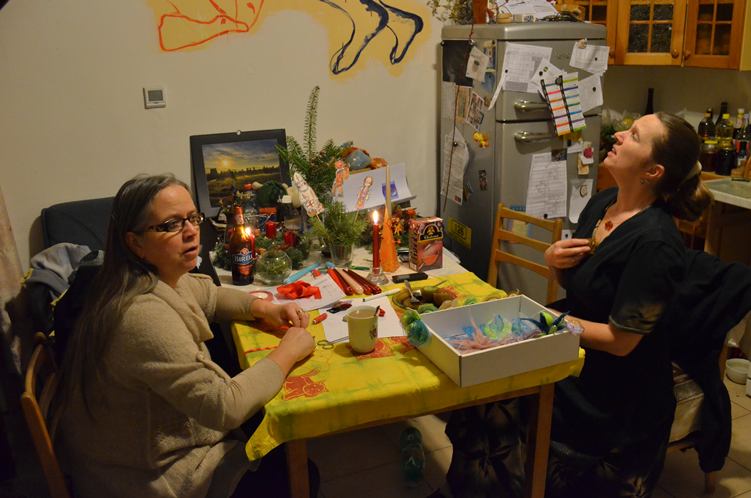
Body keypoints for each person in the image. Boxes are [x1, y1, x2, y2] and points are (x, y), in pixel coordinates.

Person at [443, 112, 713, 498]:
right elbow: (583, 286)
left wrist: (547, 320)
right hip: (574, 356)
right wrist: (554, 261)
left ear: (652, 171)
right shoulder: (603, 205)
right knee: (483, 389)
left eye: (635, 135)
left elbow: (622, 341)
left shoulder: (656, 243)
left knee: (501, 401)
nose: (618, 135)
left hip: (614, 397)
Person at [56, 174, 316, 498]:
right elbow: (225, 406)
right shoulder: (141, 314)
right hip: (152, 477)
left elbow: (211, 295)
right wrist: (288, 350)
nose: (191, 231)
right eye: (171, 225)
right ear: (135, 243)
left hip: (148, 452)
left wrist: (264, 308)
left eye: (193, 218)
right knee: (300, 471)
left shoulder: (149, 275)